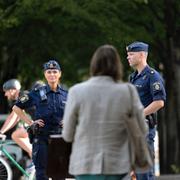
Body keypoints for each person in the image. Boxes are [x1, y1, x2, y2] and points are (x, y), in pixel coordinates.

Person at [62, 44, 149, 180]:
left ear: (94, 65)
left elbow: (67, 135)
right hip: (117, 165)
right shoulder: (128, 91)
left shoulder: (76, 91)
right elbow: (142, 129)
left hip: (84, 164)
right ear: (117, 65)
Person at [12, 60, 68, 180]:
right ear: (45, 74)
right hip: (41, 139)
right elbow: (16, 108)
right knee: (42, 175)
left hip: (60, 140)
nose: (52, 74)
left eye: (54, 71)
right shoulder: (36, 93)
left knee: (60, 175)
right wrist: (31, 122)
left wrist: (69, 120)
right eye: (49, 72)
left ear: (60, 74)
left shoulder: (66, 94)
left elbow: (77, 111)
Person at [127, 41, 166, 180]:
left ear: (142, 55)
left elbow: (159, 102)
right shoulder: (133, 77)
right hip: (133, 129)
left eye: (131, 54)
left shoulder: (152, 76)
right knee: (136, 173)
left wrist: (138, 114)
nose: (128, 57)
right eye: (128, 54)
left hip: (145, 129)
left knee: (145, 174)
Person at [0, 79, 32, 158]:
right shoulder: (21, 99)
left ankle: (35, 156)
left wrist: (1, 132)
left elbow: (13, 117)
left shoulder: (24, 96)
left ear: (12, 90)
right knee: (26, 142)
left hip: (42, 124)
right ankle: (35, 161)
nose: (5, 94)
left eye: (6, 91)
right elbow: (15, 118)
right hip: (38, 124)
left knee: (15, 135)